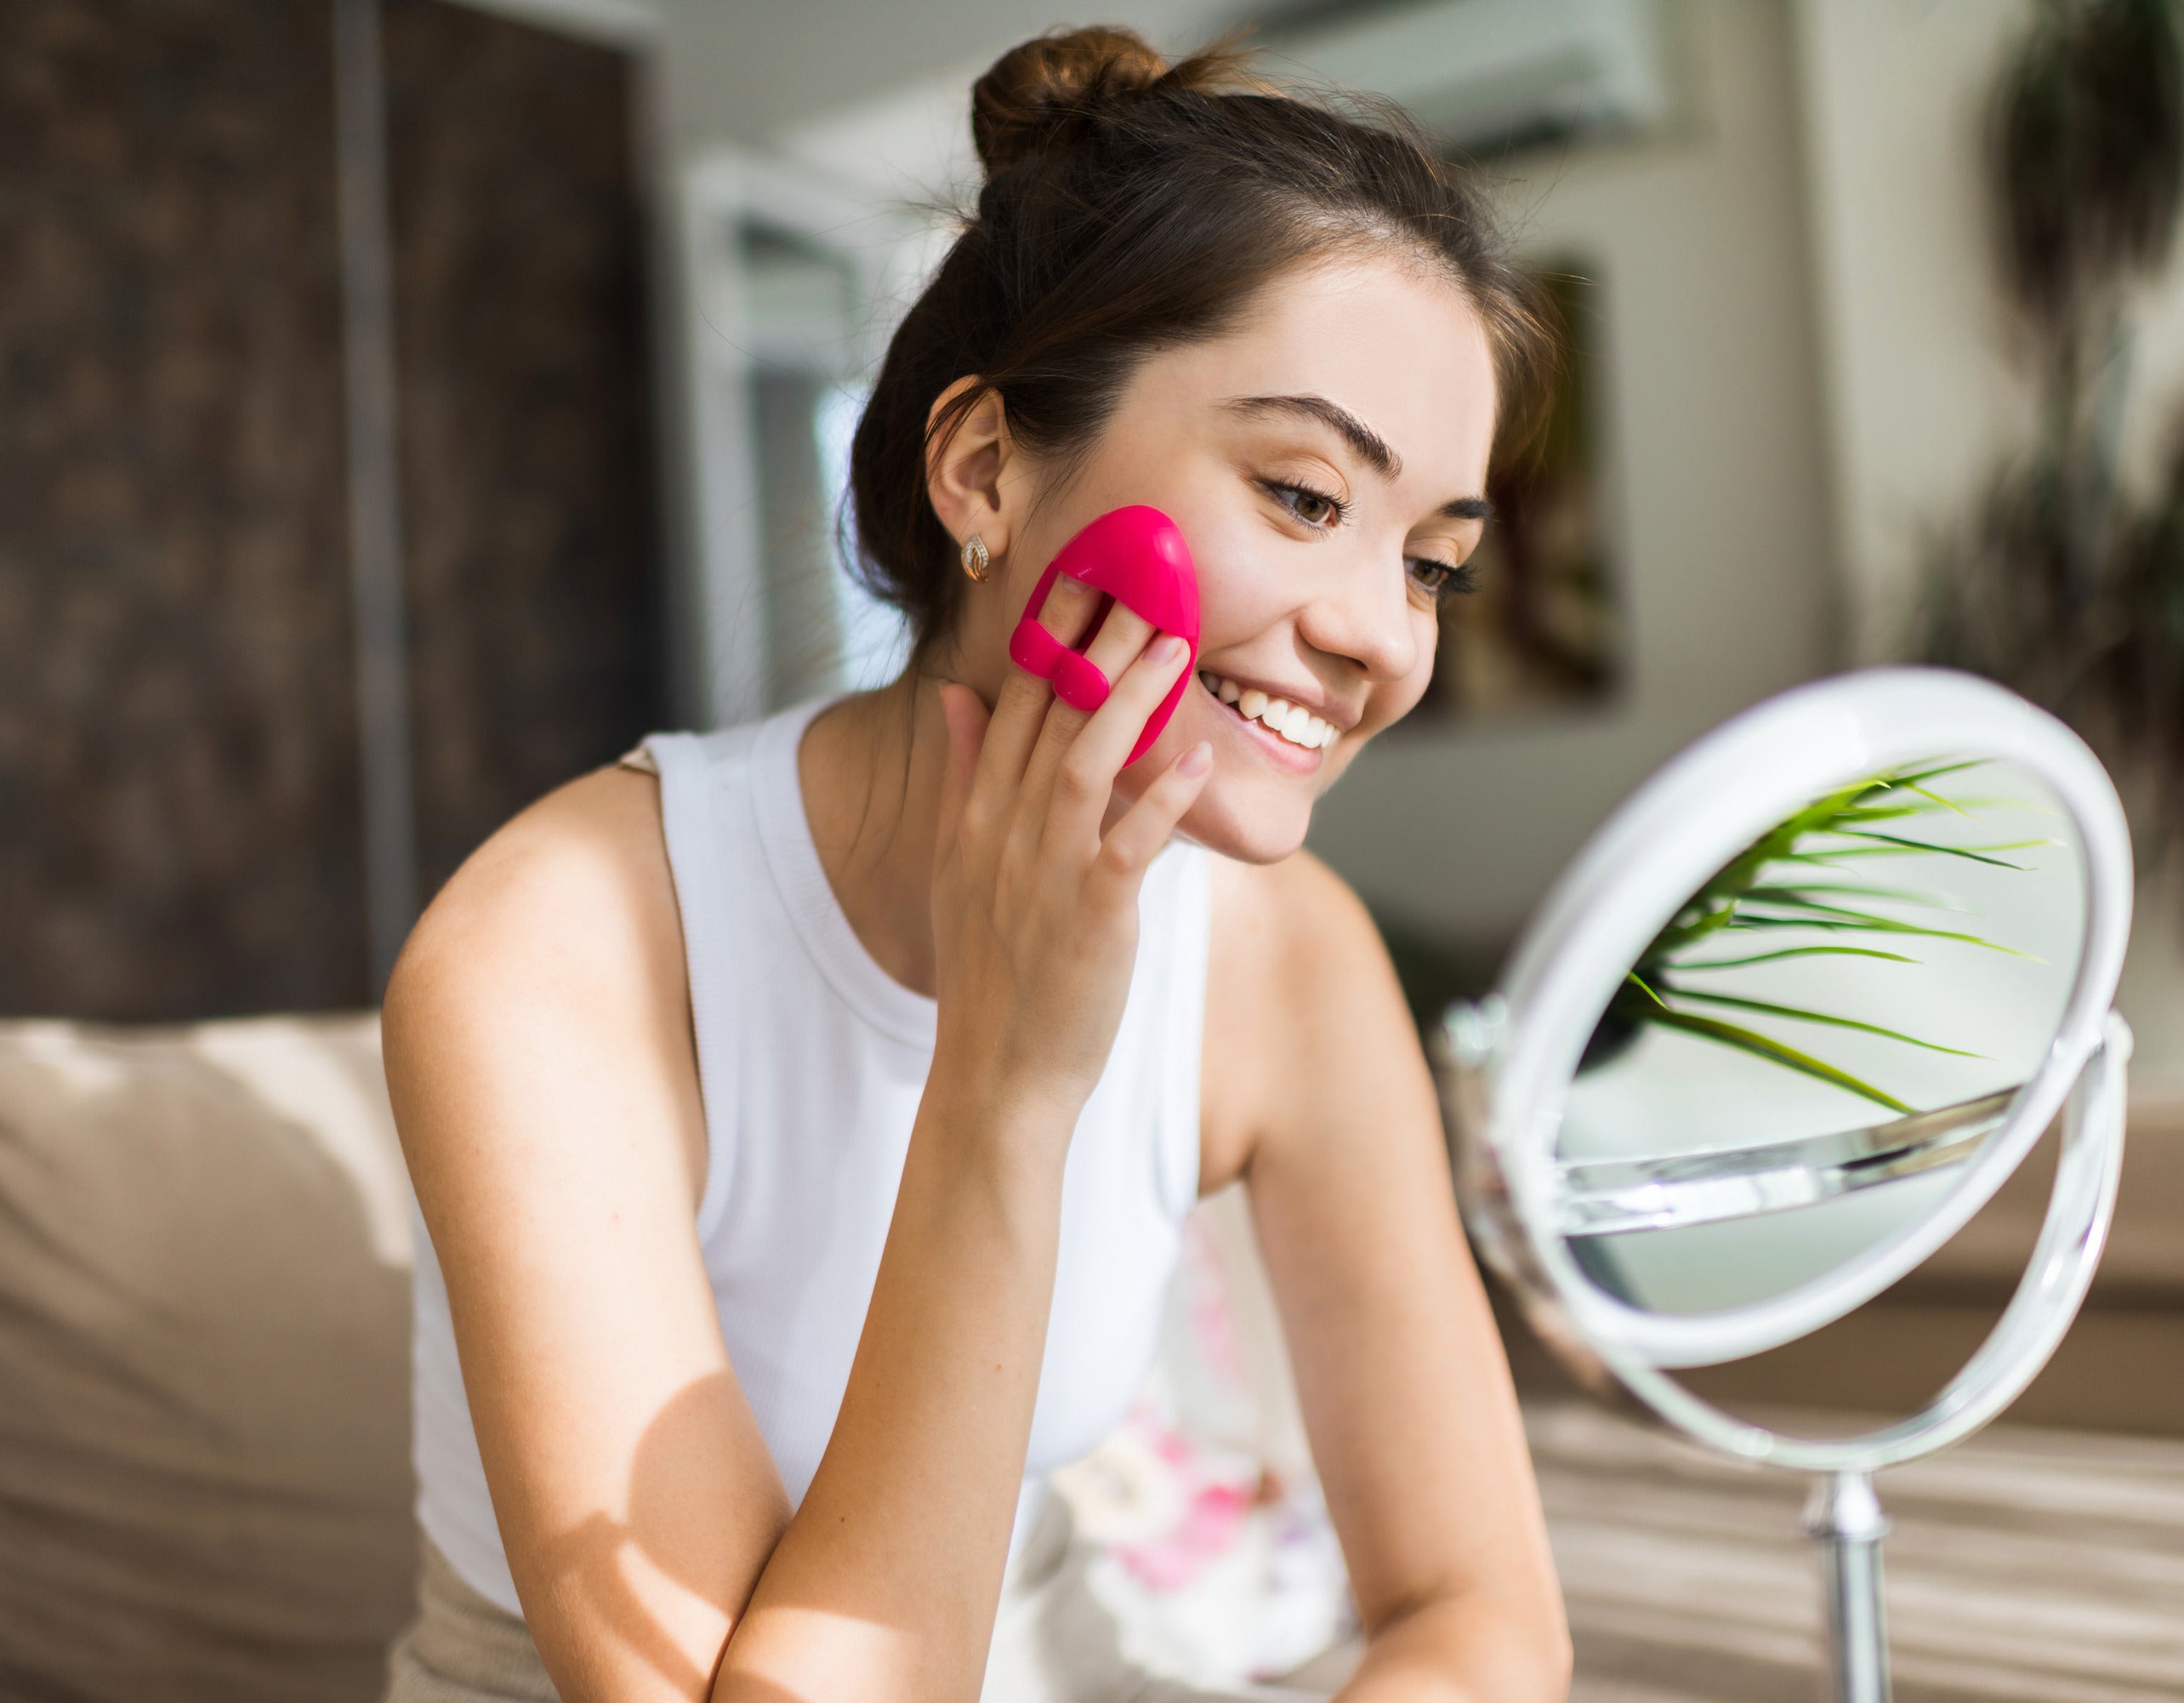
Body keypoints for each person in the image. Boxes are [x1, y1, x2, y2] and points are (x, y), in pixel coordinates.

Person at [380, 26, 1570, 1703]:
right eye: (1305, 495)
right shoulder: (558, 942)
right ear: (984, 468)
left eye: (1434, 562)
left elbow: (1479, 1610)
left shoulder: (1282, 954)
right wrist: (1007, 1087)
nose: (1382, 636)